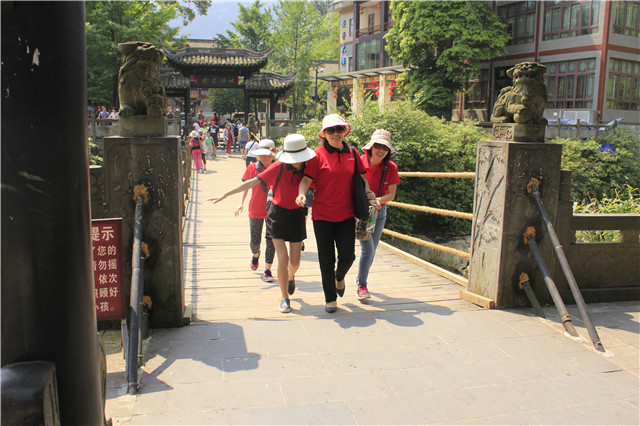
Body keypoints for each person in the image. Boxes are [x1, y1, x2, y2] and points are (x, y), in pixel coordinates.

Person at [209, 134, 316, 313]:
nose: (297, 161)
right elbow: (252, 182)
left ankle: (291, 276)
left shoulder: (309, 167)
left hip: (296, 215)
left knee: (295, 262)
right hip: (277, 214)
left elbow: (311, 183)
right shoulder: (278, 166)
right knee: (283, 258)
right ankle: (284, 298)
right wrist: (226, 194)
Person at [296, 114, 379, 313]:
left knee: (348, 256)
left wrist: (369, 194)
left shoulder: (353, 153)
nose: (335, 133)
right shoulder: (316, 155)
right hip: (322, 216)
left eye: (339, 129)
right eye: (331, 130)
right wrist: (301, 194)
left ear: (345, 132)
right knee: (326, 260)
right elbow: (306, 180)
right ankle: (330, 298)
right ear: (324, 134)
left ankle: (339, 277)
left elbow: (361, 177)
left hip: (346, 215)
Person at [355, 129, 400, 300]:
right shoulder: (358, 162)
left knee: (371, 251)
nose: (381, 150)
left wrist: (378, 201)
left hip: (378, 212)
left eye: (385, 148)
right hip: (359, 211)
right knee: (368, 249)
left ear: (389, 151)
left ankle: (360, 279)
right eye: (378, 146)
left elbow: (391, 194)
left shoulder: (391, 168)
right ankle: (362, 285)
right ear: (371, 147)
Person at [236, 139, 278, 283]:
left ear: (273, 154)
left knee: (271, 241)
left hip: (274, 210)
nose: (264, 157)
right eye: (261, 154)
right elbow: (246, 186)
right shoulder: (252, 167)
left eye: (267, 154)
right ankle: (255, 254)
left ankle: (268, 269)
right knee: (254, 242)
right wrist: (241, 202)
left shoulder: (279, 168)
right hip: (256, 207)